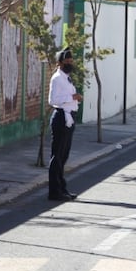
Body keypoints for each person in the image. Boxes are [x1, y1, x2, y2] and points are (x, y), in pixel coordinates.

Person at [48, 48, 82, 202]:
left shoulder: (67, 78)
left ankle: (62, 188)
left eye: (71, 61)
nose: (70, 63)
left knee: (64, 156)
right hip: (61, 118)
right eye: (67, 61)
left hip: (69, 118)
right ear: (59, 62)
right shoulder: (57, 78)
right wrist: (72, 97)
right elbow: (53, 100)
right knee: (57, 157)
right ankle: (54, 191)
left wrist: (75, 98)